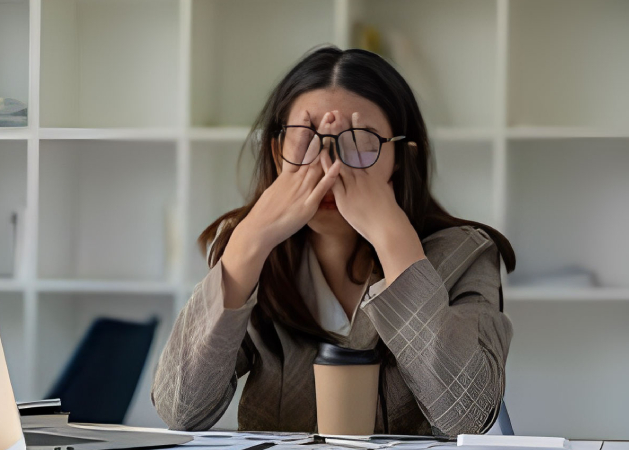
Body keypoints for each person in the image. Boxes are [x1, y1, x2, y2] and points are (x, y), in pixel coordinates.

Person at [150, 45, 515, 437]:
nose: (329, 166)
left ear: (402, 158)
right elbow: (179, 410)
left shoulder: (465, 254)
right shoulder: (251, 253)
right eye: (306, 140)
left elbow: (468, 417)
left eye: (358, 141)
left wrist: (395, 241)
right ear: (276, 153)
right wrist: (250, 241)